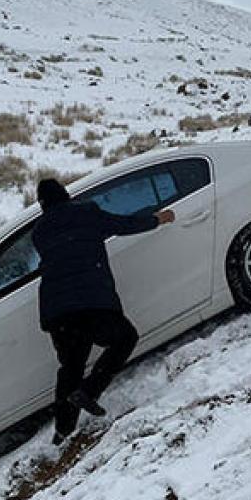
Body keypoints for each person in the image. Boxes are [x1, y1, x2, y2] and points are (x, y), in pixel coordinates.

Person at [30, 178, 176, 445]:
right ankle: (90, 391)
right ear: (65, 195)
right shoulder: (86, 212)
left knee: (71, 367)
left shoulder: (39, 231)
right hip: (91, 301)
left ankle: (62, 430)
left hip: (57, 311)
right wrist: (157, 219)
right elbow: (123, 225)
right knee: (125, 338)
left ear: (42, 204)